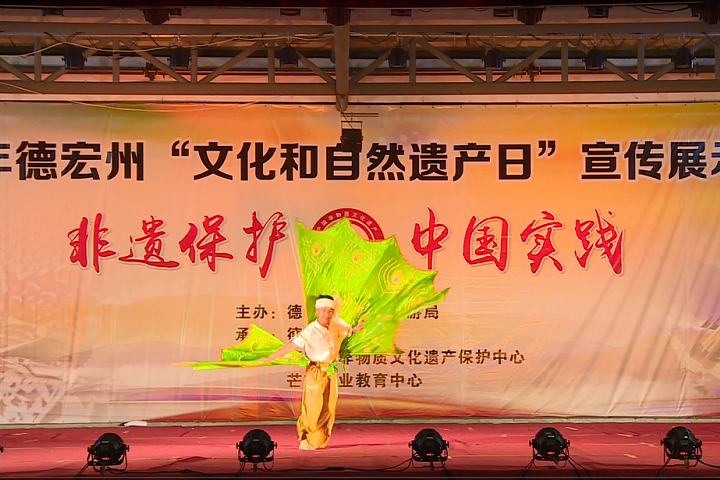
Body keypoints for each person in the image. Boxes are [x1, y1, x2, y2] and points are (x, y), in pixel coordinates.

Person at [259, 295, 363, 450]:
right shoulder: (310, 331)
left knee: (329, 407)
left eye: (329, 311)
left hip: (330, 371)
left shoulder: (336, 325)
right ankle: (305, 437)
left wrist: (359, 327)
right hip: (315, 372)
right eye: (322, 310)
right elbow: (291, 345)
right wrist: (270, 357)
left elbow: (349, 330)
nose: (326, 314)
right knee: (312, 406)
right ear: (317, 311)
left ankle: (318, 439)